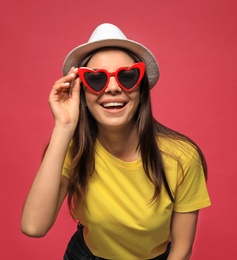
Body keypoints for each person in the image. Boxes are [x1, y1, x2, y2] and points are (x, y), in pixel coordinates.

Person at [21, 23, 211, 260]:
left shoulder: (181, 157)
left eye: (127, 76)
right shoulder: (73, 149)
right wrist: (64, 126)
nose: (112, 88)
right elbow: (33, 227)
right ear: (81, 92)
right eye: (97, 79)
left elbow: (181, 250)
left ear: (141, 90)